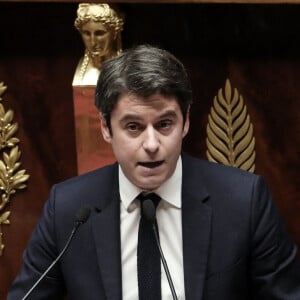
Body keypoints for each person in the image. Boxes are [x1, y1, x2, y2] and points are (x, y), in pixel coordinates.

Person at [8, 45, 300, 299]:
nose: (151, 145)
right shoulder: (69, 210)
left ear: (185, 123)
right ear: (106, 128)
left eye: (164, 125)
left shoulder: (244, 201)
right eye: (133, 127)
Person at [72, 3, 124, 86]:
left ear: (114, 33)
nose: (93, 42)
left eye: (99, 33)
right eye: (87, 33)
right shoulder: (81, 67)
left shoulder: (126, 68)